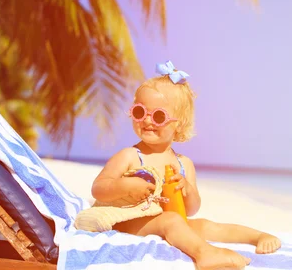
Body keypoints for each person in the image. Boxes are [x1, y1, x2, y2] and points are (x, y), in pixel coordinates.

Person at [91, 61, 281, 269]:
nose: (147, 121)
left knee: (205, 225)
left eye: (158, 116)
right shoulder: (129, 156)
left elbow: (191, 209)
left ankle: (258, 236)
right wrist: (124, 186)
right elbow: (98, 189)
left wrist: (187, 190)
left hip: (168, 222)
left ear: (179, 123)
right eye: (139, 112)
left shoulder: (184, 164)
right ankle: (206, 253)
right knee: (170, 220)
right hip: (129, 224)